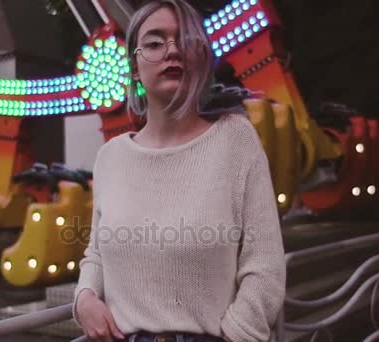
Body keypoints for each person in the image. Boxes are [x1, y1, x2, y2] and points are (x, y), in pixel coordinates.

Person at [73, 0, 286, 341]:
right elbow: (97, 253)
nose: (172, 50)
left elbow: (266, 266)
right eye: (155, 42)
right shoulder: (110, 157)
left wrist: (236, 334)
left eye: (184, 40)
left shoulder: (236, 140)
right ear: (134, 65)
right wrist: (84, 297)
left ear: (201, 58)